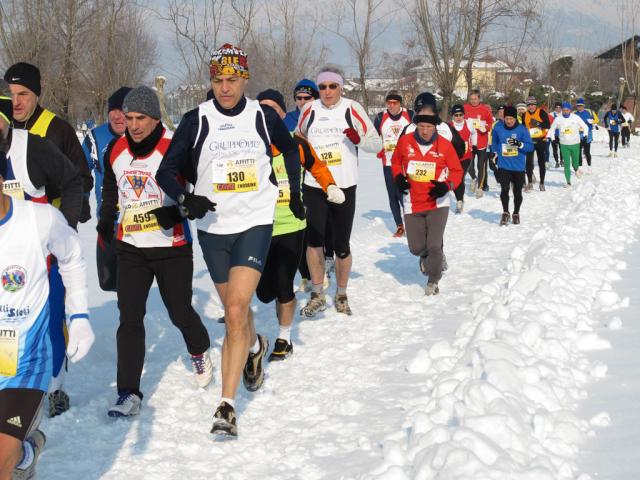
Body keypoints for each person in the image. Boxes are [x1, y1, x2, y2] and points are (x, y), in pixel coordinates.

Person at [157, 43, 305, 437]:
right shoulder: (196, 119)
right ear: (211, 81)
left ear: (245, 80)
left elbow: (290, 149)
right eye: (219, 80)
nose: (225, 87)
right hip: (213, 229)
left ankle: (226, 405)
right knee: (235, 311)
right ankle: (254, 347)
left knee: (236, 311)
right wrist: (188, 198)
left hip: (255, 221)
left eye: (232, 80)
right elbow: (166, 171)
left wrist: (293, 191)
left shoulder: (261, 116)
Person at [97, 86, 212, 418]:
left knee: (179, 312)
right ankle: (128, 392)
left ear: (155, 118)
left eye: (141, 118)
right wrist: (106, 220)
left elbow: (195, 196)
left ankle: (200, 349)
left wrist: (175, 213)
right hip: (130, 246)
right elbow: (109, 187)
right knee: (129, 318)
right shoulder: (115, 148)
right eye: (129, 118)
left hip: (171, 246)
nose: (133, 125)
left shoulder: (174, 146)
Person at [0, 149, 94, 480]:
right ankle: (25, 452)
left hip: (25, 364)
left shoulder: (39, 220)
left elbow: (71, 256)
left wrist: (78, 315)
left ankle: (14, 454)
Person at [0, 80, 86, 417]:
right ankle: (14, 394)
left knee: (49, 324)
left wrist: (63, 228)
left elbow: (73, 181)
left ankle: (56, 386)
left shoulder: (31, 147)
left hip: (41, 258)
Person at [255, 89, 344, 360]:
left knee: (284, 286)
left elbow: (317, 166)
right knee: (263, 293)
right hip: (257, 228)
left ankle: (284, 338)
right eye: (263, 109)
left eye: (274, 109)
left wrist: (329, 185)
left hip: (291, 225)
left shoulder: (297, 143)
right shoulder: (250, 146)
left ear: (283, 114)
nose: (268, 114)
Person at [296, 66, 381, 317]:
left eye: (332, 86)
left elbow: (376, 144)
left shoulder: (352, 108)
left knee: (341, 245)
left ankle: (341, 294)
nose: (327, 91)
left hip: (344, 185)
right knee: (314, 243)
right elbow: (299, 139)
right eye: (322, 87)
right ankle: (317, 293)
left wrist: (359, 139)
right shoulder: (309, 110)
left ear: (340, 87)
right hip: (314, 185)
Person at [391, 111, 463, 295]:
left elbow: (456, 170)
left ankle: (433, 280)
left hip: (437, 202)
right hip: (412, 201)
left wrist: (446, 186)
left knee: (434, 244)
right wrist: (398, 177)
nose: (425, 131)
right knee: (416, 248)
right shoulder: (405, 142)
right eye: (421, 126)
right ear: (416, 126)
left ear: (435, 128)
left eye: (429, 127)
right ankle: (426, 257)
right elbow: (396, 162)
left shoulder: (445, 145)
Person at [82, 86, 132, 292]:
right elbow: (80, 172)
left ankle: (130, 321)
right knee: (107, 282)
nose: (118, 116)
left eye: (123, 111)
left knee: (133, 283)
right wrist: (81, 200)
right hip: (109, 221)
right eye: (114, 110)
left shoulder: (144, 135)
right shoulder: (96, 137)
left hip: (140, 223)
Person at [374, 90, 413, 236]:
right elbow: (375, 137)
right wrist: (379, 148)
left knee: (406, 193)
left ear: (400, 103)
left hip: (407, 163)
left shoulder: (410, 115)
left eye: (394, 103)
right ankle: (399, 225)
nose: (391, 106)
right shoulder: (380, 117)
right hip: (389, 162)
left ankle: (411, 221)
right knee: (392, 194)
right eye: (389, 103)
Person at [491, 106, 534, 226]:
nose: (509, 121)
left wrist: (519, 144)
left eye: (511, 118)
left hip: (518, 167)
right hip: (503, 165)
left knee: (517, 192)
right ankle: (505, 212)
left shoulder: (522, 130)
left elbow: (530, 147)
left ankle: (516, 212)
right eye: (506, 118)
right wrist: (494, 152)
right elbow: (494, 143)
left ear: (515, 118)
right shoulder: (498, 129)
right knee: (504, 189)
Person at [546, 101, 589, 187]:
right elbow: (552, 129)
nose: (565, 112)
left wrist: (585, 134)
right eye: (564, 110)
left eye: (567, 110)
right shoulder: (558, 119)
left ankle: (576, 169)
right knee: (566, 164)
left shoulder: (576, 117)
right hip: (564, 145)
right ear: (562, 110)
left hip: (575, 143)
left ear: (570, 110)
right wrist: (553, 138)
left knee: (575, 163)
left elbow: (585, 126)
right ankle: (568, 182)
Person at [463, 89, 494, 197]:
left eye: (475, 99)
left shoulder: (485, 109)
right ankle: (474, 178)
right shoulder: (465, 108)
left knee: (481, 165)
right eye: (471, 99)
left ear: (479, 98)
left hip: (481, 141)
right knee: (468, 165)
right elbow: (459, 121)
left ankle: (480, 188)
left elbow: (490, 122)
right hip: (469, 142)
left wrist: (484, 127)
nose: (473, 101)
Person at [448, 104, 476, 214]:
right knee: (455, 179)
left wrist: (474, 145)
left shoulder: (468, 124)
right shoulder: (449, 126)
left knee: (459, 178)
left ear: (464, 115)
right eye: (456, 115)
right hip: (452, 158)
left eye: (461, 115)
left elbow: (474, 133)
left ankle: (459, 201)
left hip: (466, 157)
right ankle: (459, 198)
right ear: (453, 116)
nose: (459, 117)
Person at [522, 96, 550, 192]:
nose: (531, 107)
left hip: (540, 140)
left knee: (541, 162)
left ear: (535, 105)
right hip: (529, 141)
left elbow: (547, 125)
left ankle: (542, 183)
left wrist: (537, 123)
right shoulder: (524, 115)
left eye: (533, 105)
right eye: (529, 105)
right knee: (528, 162)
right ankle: (530, 182)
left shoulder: (541, 112)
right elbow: (522, 128)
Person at [574, 98, 598, 172]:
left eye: (581, 105)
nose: (579, 107)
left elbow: (597, 120)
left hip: (587, 133)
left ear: (584, 106)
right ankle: (580, 167)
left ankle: (589, 166)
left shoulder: (589, 112)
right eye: (578, 106)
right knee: (578, 151)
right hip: (578, 134)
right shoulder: (574, 113)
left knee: (587, 151)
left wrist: (592, 121)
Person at [550, 102, 563, 168]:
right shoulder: (551, 114)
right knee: (555, 149)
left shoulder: (564, 114)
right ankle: (556, 162)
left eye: (559, 107)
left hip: (562, 134)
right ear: (554, 108)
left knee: (562, 149)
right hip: (554, 134)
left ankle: (561, 160)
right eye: (556, 107)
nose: (558, 109)